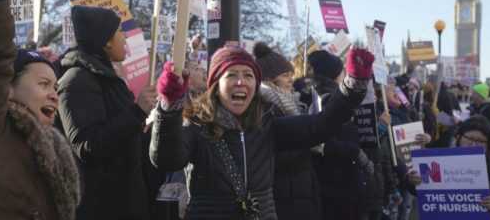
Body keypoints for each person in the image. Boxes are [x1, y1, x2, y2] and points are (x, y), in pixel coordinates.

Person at [150, 45, 374, 219]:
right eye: (231, 75)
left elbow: (321, 125)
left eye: (248, 76)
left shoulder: (267, 125)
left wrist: (352, 86)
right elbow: (166, 158)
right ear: (215, 85)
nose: (241, 82)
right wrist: (169, 107)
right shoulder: (197, 126)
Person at [0, 0, 80, 220]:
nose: (54, 95)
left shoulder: (55, 149)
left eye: (55, 88)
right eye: (43, 84)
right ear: (9, 87)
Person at [57, 5, 158, 220]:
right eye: (119, 32)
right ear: (105, 41)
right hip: (102, 206)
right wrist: (137, 111)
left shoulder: (107, 79)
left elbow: (122, 136)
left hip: (126, 202)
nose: (124, 39)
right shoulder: (77, 80)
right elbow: (86, 145)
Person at [253, 42, 322, 220]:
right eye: (285, 75)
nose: (291, 79)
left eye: (291, 74)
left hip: (298, 190)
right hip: (283, 193)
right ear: (269, 79)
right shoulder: (267, 107)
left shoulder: (293, 102)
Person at [306, 49, 374, 220]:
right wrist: (356, 153)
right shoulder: (326, 98)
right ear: (335, 74)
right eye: (343, 70)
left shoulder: (324, 94)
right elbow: (323, 142)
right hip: (336, 183)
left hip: (338, 182)